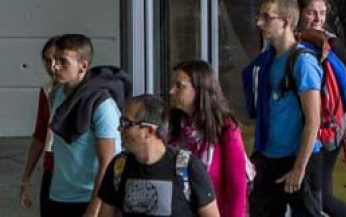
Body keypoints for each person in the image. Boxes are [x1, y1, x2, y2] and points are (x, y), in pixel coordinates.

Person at [241, 0, 324, 216]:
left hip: (297, 158)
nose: (260, 23)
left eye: (267, 17)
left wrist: (299, 168)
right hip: (268, 157)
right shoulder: (268, 61)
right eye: (259, 16)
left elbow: (313, 120)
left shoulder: (303, 62)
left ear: (287, 21)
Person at [291, 0, 346, 217]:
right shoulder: (292, 42)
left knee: (319, 197)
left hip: (326, 130)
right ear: (299, 13)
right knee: (314, 195)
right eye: (312, 12)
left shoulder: (331, 45)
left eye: (322, 13)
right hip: (304, 130)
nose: (318, 19)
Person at [97, 95, 219, 217]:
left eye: (126, 123)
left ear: (149, 131)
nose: (119, 129)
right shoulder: (118, 166)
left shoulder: (187, 167)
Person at [47, 34, 129, 216]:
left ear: (82, 66)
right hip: (58, 195)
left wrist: (95, 207)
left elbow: (108, 161)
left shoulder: (102, 105)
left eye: (63, 61)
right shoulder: (56, 94)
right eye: (54, 60)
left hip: (88, 197)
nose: (55, 66)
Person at [168, 60, 249, 217]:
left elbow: (237, 188)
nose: (171, 91)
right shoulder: (171, 127)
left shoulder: (225, 129)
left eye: (180, 86)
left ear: (200, 89)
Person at [19, 36, 59, 216]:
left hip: (79, 170)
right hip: (52, 165)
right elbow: (40, 134)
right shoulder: (47, 90)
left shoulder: (90, 94)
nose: (53, 66)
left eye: (58, 60)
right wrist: (25, 179)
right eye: (48, 60)